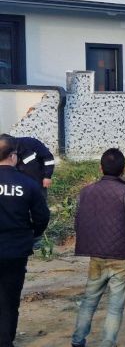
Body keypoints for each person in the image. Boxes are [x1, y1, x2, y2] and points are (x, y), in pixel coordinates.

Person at [71, 148, 125, 347]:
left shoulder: (86, 192)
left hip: (96, 256)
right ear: (124, 169)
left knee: (89, 300)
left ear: (100, 168)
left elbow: (78, 222)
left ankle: (77, 341)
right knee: (115, 306)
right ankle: (107, 343)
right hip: (123, 257)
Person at [0, 134, 50, 347]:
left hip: (15, 248)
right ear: (13, 156)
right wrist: (33, 234)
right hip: (16, 251)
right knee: (10, 300)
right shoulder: (28, 184)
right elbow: (42, 217)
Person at [0, 134, 55, 200]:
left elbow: (48, 157)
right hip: (16, 185)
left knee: (40, 203)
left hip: (37, 182)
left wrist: (47, 176)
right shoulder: (3, 151)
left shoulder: (30, 142)